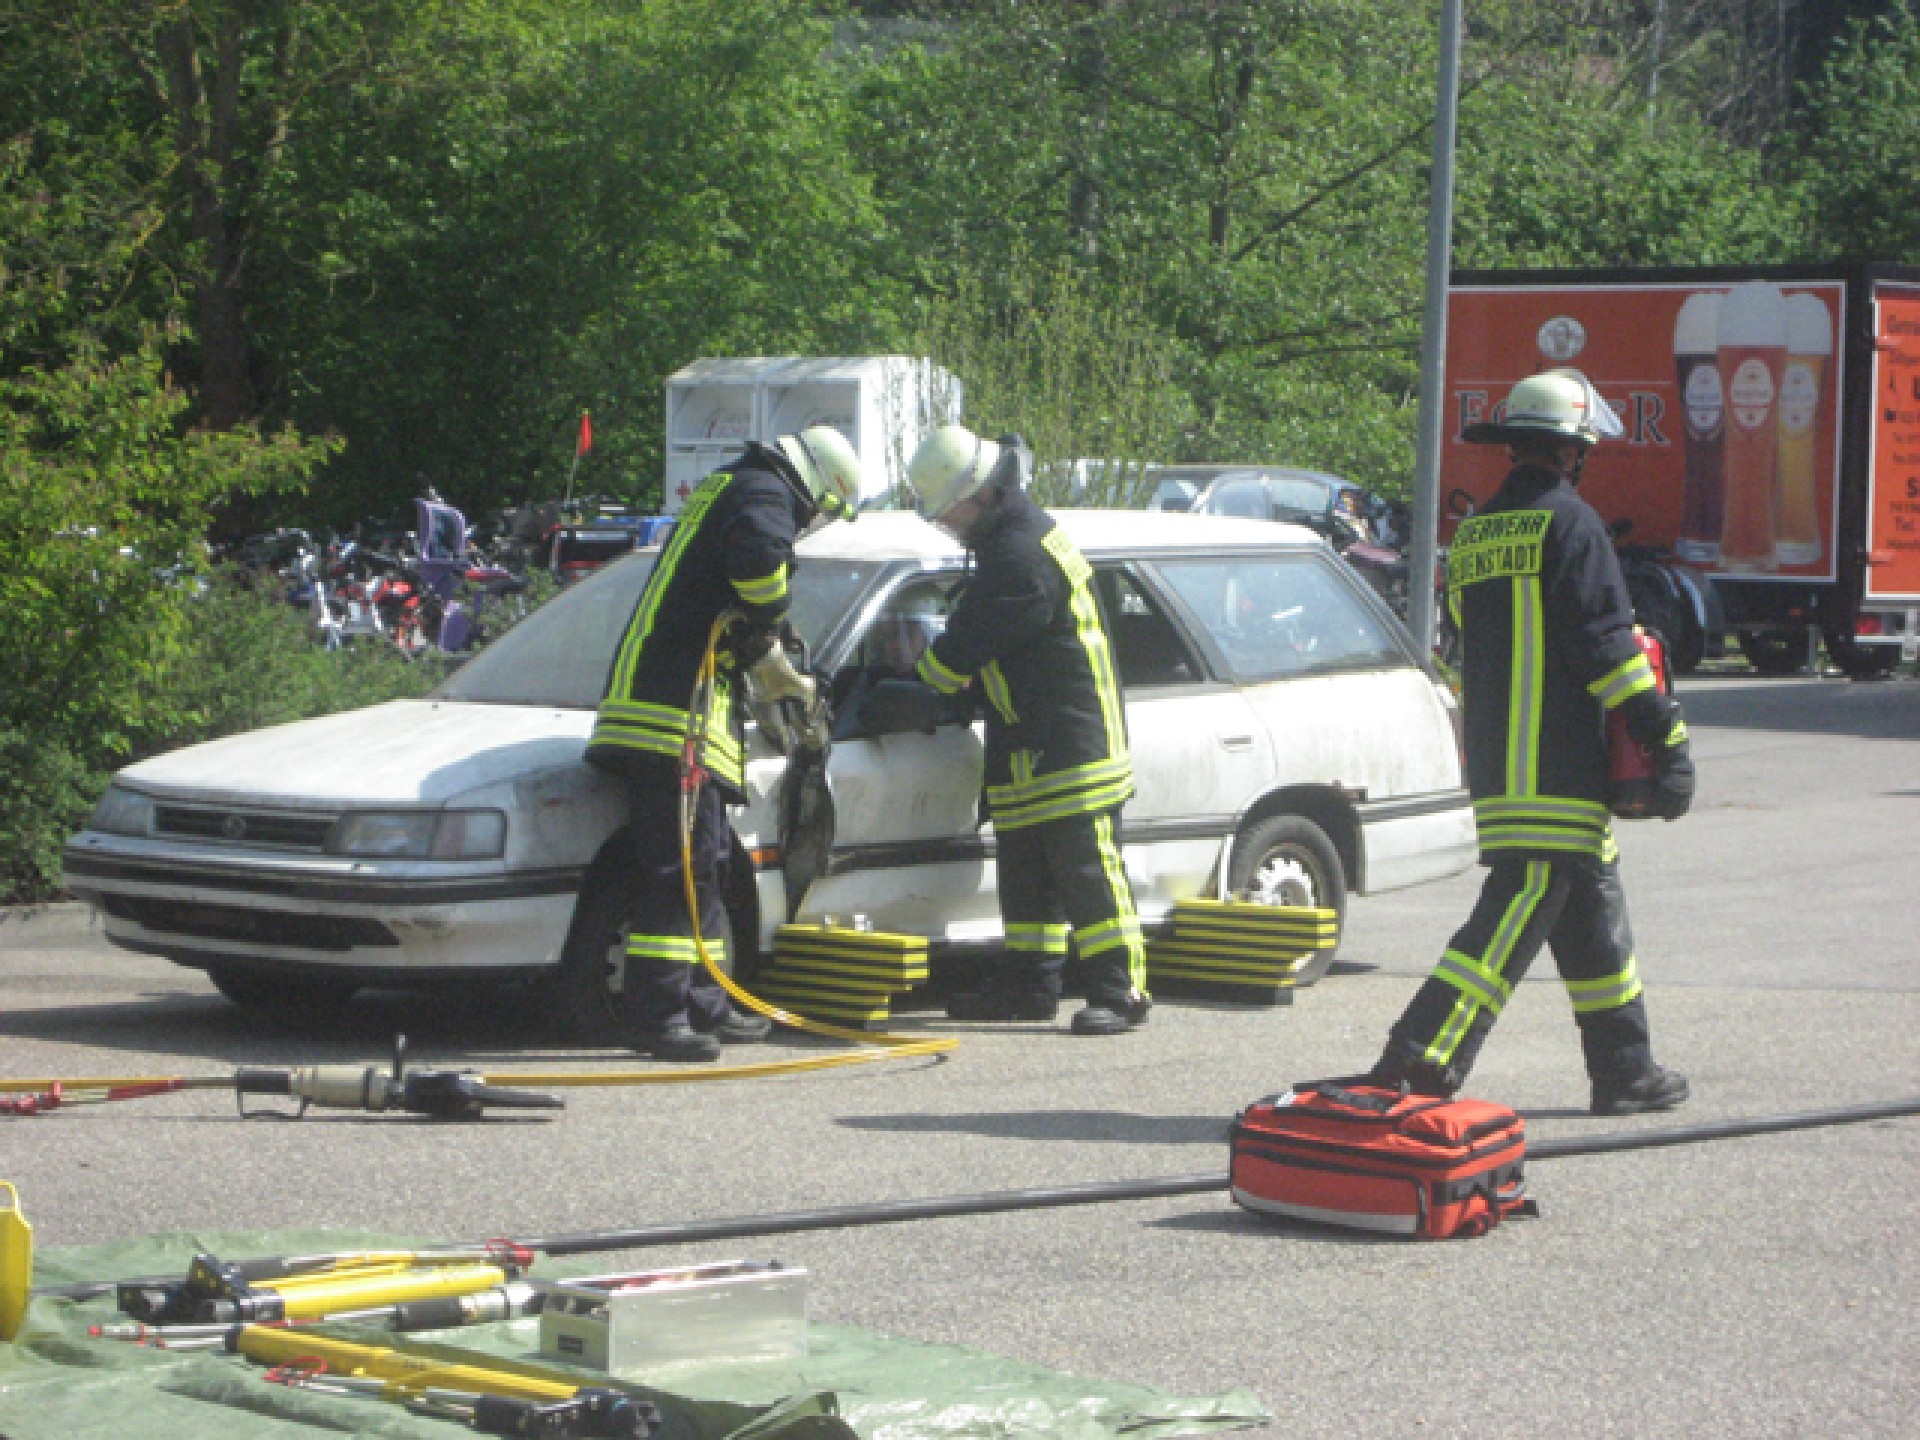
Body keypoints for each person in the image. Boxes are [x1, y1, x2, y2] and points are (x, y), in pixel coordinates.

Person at [1371, 369, 1696, 1115]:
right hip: (1559, 766)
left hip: (1499, 764)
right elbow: (1607, 650)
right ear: (1573, 450)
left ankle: (1625, 1069)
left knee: (1592, 914)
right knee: (1516, 909)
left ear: (1516, 445)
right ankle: (1417, 1059)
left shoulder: (1477, 532)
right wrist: (1665, 735)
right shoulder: (1574, 525)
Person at [587, 426, 860, 1061]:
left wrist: (764, 650)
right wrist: (771, 622)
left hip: (677, 714)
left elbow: (718, 592)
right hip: (669, 716)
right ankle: (657, 1016)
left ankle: (704, 1003)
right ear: (816, 488)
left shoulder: (734, 487)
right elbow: (761, 569)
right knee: (678, 872)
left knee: (705, 866)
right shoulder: (763, 492)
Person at [902, 424, 1151, 1036]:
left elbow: (969, 644)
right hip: (1027, 735)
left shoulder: (1020, 555)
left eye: (950, 510)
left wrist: (916, 685)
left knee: (1089, 875)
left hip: (1070, 738)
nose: (946, 523)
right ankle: (1029, 986)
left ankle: (1122, 991)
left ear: (981, 491)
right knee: (1027, 875)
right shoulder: (1006, 540)